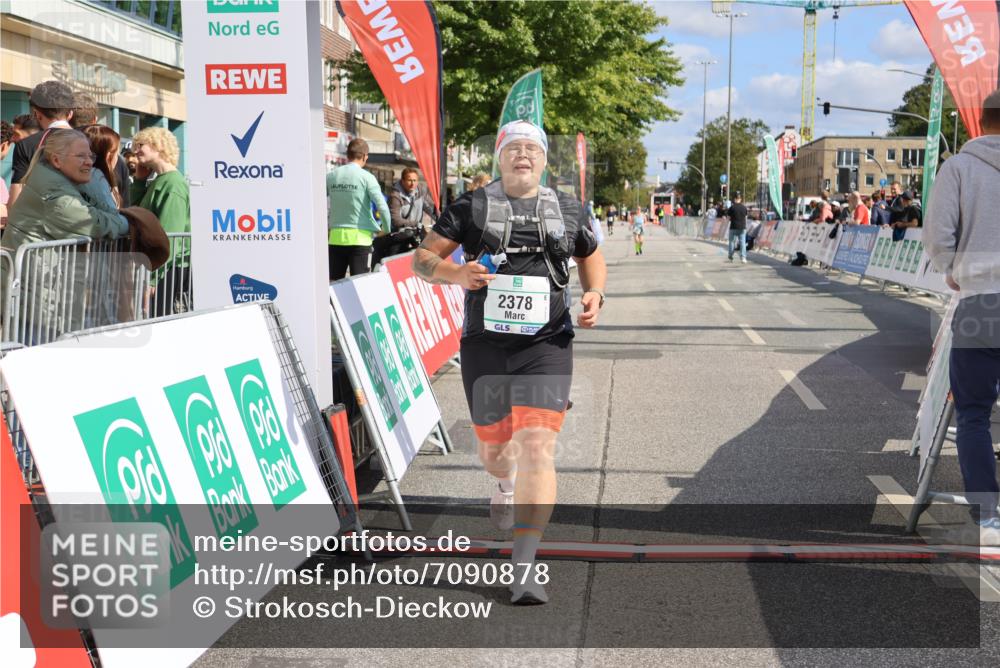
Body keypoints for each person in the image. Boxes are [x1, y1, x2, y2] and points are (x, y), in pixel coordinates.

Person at [411, 119, 606, 605]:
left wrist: (595, 292)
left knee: (538, 446)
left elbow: (591, 254)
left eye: (532, 149)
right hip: (486, 345)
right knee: (497, 450)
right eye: (513, 148)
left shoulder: (567, 208)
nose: (523, 155)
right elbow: (421, 261)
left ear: (543, 158)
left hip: (547, 345)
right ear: (499, 157)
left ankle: (524, 565)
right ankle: (501, 482)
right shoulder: (472, 206)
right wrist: (456, 272)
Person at [924, 88, 1000, 544]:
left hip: (982, 301)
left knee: (973, 413)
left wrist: (953, 270)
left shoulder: (958, 168)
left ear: (980, 120)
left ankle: (989, 515)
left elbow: (938, 233)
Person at [1, 129, 129, 339]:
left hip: (41, 291)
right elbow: (95, 223)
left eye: (90, 156)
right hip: (35, 297)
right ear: (56, 160)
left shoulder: (56, 181)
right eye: (81, 156)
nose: (89, 162)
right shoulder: (53, 192)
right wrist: (130, 222)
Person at [131, 126, 190, 316]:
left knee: (160, 320)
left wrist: (153, 279)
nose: (135, 150)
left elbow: (169, 237)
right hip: (162, 266)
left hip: (169, 269)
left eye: (141, 145)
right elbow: (135, 212)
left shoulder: (172, 184)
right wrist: (139, 181)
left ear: (159, 146)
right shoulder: (161, 181)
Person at [326, 138, 391, 280]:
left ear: (348, 155)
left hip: (336, 238)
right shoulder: (367, 177)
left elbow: (317, 202)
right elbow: (383, 207)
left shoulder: (331, 176)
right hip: (361, 240)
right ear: (364, 156)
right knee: (361, 285)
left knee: (333, 286)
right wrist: (386, 228)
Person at [9, 80, 76, 207]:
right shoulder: (90, 142)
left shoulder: (26, 145)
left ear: (37, 114)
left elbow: (16, 197)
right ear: (70, 113)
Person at [70, 91, 130, 207]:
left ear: (69, 116)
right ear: (95, 119)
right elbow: (125, 205)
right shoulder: (116, 158)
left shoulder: (58, 149)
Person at [372, 167, 437, 268]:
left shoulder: (421, 191)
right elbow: (396, 221)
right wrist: (415, 223)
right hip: (398, 235)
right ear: (402, 181)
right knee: (396, 263)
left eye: (415, 180)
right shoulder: (395, 196)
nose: (412, 183)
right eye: (409, 180)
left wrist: (441, 219)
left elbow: (430, 209)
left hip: (415, 233)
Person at [726, 192, 749, 264]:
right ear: (740, 199)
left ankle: (730, 256)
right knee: (742, 242)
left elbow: (728, 218)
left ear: (734, 199)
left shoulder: (731, 208)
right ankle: (743, 257)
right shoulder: (744, 208)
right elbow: (746, 218)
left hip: (733, 227)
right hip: (742, 227)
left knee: (732, 242)